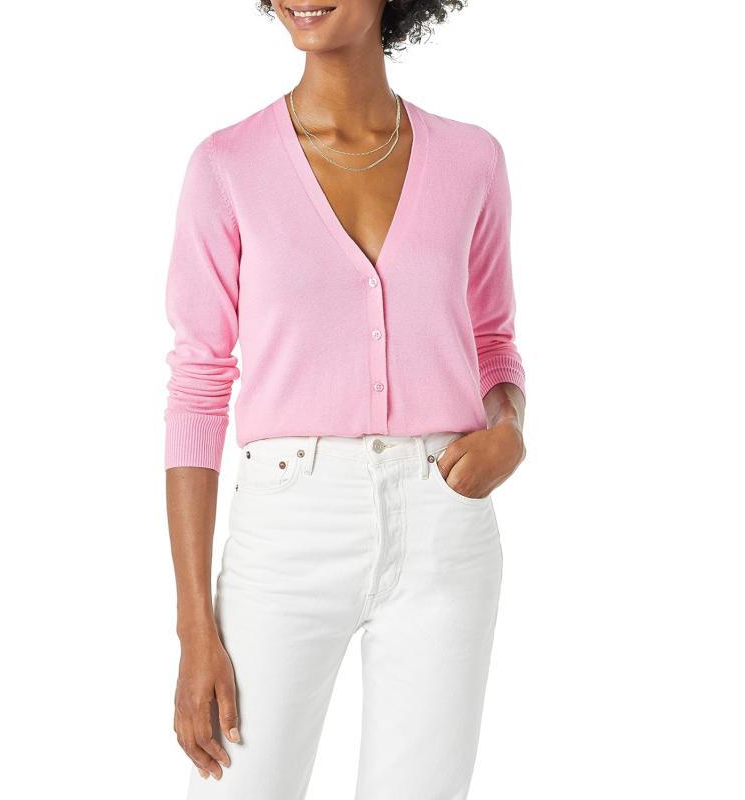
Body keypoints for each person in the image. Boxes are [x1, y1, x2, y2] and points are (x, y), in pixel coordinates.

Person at [164, 2, 527, 797]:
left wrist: (510, 428)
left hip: (445, 520)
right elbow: (197, 386)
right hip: (285, 530)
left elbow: (493, 338)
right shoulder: (228, 166)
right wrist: (194, 625)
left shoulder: (472, 159)